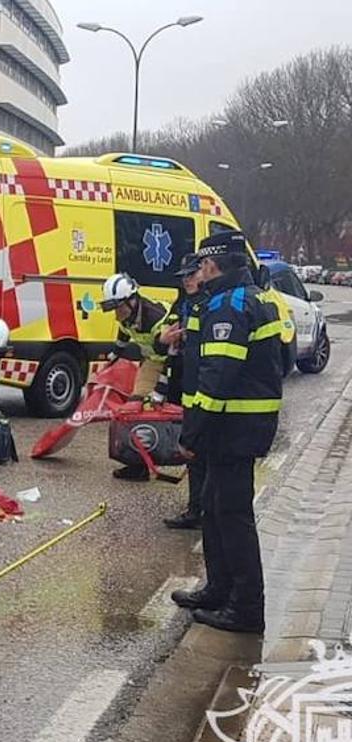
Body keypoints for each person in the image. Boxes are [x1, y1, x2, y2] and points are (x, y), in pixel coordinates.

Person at [172, 230, 282, 634]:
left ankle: (246, 608)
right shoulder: (249, 297)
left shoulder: (230, 304)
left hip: (234, 427)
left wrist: (191, 434)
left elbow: (216, 378)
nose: (199, 270)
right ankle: (219, 589)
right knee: (214, 506)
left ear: (213, 264)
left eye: (202, 264)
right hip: (237, 425)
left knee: (233, 515)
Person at [99, 272, 172, 480]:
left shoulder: (155, 317)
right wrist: (111, 358)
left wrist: (161, 389)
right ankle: (137, 466)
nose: (115, 314)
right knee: (134, 409)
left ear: (131, 300)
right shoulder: (128, 315)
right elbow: (123, 335)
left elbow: (171, 355)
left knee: (148, 407)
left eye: (117, 308)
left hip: (172, 361)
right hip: (152, 360)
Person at [160, 253, 208, 530]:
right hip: (183, 380)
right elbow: (165, 332)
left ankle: (201, 510)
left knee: (202, 450)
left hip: (204, 384)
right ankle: (195, 509)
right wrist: (165, 337)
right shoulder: (184, 302)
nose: (187, 281)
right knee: (193, 452)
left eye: (192, 275)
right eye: (184, 277)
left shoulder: (210, 301)